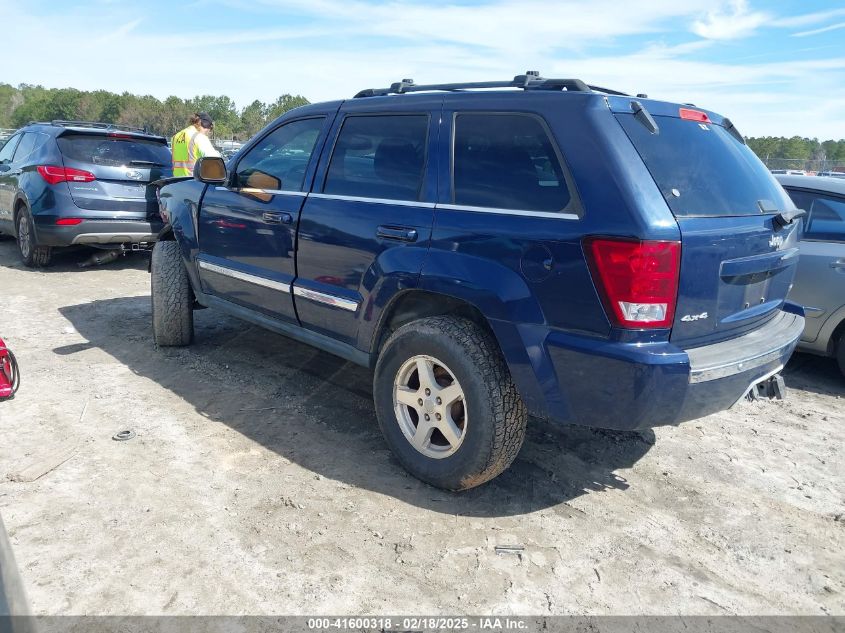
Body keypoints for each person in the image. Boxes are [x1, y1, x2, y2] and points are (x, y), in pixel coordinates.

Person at [171, 112, 220, 177]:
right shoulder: (199, 137)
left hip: (177, 182)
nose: (208, 133)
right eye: (209, 130)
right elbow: (215, 160)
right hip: (194, 183)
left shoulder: (175, 137)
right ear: (205, 125)